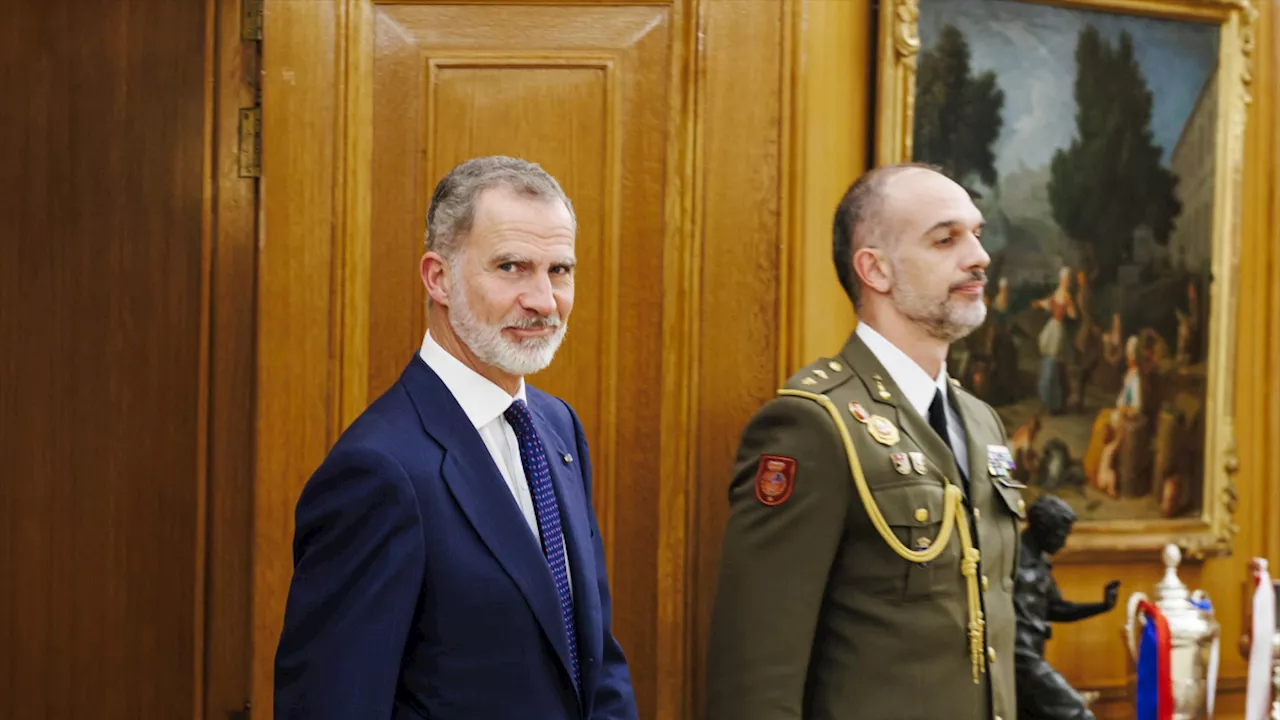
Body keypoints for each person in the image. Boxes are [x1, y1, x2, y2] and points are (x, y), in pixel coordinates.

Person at [273, 156, 637, 719]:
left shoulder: (557, 426)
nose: (544, 300)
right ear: (438, 278)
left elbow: (595, 662)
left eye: (559, 270)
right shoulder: (379, 471)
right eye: (512, 266)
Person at [706, 163, 1026, 720]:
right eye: (946, 239)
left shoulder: (980, 422)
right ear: (875, 269)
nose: (978, 256)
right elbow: (756, 679)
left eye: (977, 234)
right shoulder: (814, 424)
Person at [1013, 495, 1119, 720]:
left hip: (1033, 655)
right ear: (1043, 529)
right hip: (1020, 660)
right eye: (1062, 534)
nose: (1064, 543)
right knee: (1077, 713)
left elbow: (1056, 608)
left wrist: (1101, 606)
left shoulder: (1040, 564)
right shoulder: (1012, 562)